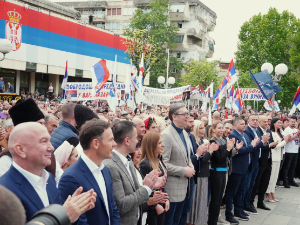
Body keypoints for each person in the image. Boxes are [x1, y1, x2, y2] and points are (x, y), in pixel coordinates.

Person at [0, 122, 96, 223]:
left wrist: (73, 213)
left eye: (49, 141)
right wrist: (63, 216)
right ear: (20, 150)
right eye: (43, 141)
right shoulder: (5, 192)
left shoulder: (49, 178)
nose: (51, 147)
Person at [59, 119, 120, 225]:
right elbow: (77, 220)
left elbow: (113, 208)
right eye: (110, 140)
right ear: (96, 143)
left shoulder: (105, 170)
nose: (114, 144)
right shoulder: (71, 177)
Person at [104, 121, 166, 225]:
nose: (138, 141)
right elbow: (122, 205)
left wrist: (150, 186)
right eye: (136, 138)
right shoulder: (111, 166)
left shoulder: (127, 160)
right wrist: (146, 188)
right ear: (127, 141)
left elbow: (135, 192)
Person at [161, 103, 195, 225]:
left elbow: (187, 157)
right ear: (174, 116)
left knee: (181, 219)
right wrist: (183, 171)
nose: (187, 116)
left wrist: (190, 165)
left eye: (188, 113)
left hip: (185, 188)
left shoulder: (184, 133)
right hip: (172, 189)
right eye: (184, 114)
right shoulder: (166, 135)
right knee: (171, 221)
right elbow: (163, 163)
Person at [225, 117, 258, 224]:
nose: (244, 125)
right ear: (235, 125)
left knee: (241, 190)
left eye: (245, 124)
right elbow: (238, 150)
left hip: (244, 167)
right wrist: (252, 146)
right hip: (236, 168)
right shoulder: (233, 135)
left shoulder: (245, 135)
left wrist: (251, 146)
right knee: (231, 192)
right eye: (242, 124)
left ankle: (239, 210)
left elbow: (247, 147)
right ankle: (229, 214)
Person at [139, 132, 170, 225]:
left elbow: (162, 183)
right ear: (152, 146)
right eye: (160, 143)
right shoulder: (145, 164)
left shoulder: (159, 160)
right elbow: (145, 188)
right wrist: (155, 205)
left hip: (161, 200)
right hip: (152, 205)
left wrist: (166, 199)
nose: (163, 145)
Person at [208, 121, 235, 225]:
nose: (221, 130)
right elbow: (219, 159)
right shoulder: (213, 141)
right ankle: (212, 222)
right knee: (215, 200)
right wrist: (228, 149)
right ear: (213, 129)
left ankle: (214, 221)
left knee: (219, 199)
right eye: (219, 128)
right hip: (216, 173)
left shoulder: (222, 141)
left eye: (222, 128)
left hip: (223, 172)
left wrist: (231, 147)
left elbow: (227, 156)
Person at [250, 116, 278, 211]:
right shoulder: (258, 131)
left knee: (265, 183)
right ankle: (251, 203)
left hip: (268, 161)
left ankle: (260, 202)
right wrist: (270, 144)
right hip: (260, 161)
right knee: (256, 184)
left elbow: (272, 144)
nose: (267, 123)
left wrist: (273, 144)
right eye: (265, 121)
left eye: (268, 121)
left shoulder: (268, 131)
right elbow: (260, 146)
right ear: (259, 122)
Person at [243, 115, 269, 214]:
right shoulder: (247, 132)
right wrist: (263, 142)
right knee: (247, 185)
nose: (255, 122)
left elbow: (259, 144)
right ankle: (245, 205)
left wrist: (263, 142)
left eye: (256, 120)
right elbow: (252, 146)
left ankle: (249, 204)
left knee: (252, 185)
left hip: (256, 161)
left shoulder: (257, 130)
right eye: (253, 120)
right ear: (248, 121)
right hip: (250, 162)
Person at [266, 118, 290, 201]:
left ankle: (272, 192)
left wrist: (284, 140)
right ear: (274, 123)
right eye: (279, 123)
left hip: (279, 157)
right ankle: (268, 192)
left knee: (275, 177)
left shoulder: (279, 132)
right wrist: (285, 141)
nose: (281, 124)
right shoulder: (271, 133)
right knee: (271, 177)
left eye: (281, 123)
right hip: (273, 157)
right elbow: (274, 146)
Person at [282, 116, 300, 187]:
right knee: (287, 167)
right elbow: (289, 139)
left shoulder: (296, 129)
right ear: (289, 122)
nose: (293, 123)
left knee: (293, 166)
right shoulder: (287, 130)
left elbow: (297, 140)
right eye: (291, 122)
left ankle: (291, 180)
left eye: (294, 122)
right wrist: (297, 134)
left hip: (295, 150)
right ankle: (285, 181)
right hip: (288, 150)